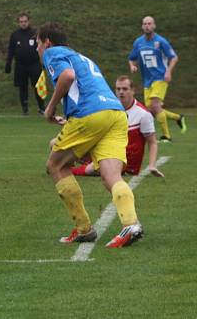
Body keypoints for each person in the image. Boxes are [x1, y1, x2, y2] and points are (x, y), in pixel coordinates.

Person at [38, 22, 143, 248]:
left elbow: (66, 76)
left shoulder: (52, 53)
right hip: (115, 114)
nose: (38, 49)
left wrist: (50, 108)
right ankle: (131, 224)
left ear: (46, 42)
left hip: (90, 114)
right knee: (110, 176)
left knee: (55, 166)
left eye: (37, 44)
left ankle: (84, 229)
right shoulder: (82, 57)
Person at [71, 75, 164, 178]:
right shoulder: (109, 107)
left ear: (133, 90)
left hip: (126, 163)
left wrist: (152, 166)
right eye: (118, 89)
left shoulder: (143, 114)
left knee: (92, 168)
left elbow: (152, 142)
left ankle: (68, 172)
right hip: (107, 152)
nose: (121, 92)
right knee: (57, 144)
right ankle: (65, 167)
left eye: (125, 89)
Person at [128, 16, 187, 143]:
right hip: (147, 80)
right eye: (145, 24)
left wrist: (168, 71)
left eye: (149, 23)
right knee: (150, 110)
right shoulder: (138, 42)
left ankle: (167, 136)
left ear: (154, 26)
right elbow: (131, 58)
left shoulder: (161, 41)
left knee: (155, 105)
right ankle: (177, 117)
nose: (147, 26)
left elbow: (174, 57)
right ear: (142, 26)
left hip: (160, 77)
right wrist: (132, 66)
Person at [5, 12, 45, 115]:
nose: (23, 23)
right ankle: (25, 109)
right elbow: (11, 50)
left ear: (29, 21)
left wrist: (44, 62)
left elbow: (42, 48)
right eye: (21, 22)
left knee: (37, 86)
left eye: (25, 21)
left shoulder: (35, 33)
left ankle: (42, 107)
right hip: (20, 65)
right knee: (22, 87)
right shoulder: (15, 35)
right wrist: (8, 64)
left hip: (34, 64)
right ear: (18, 23)